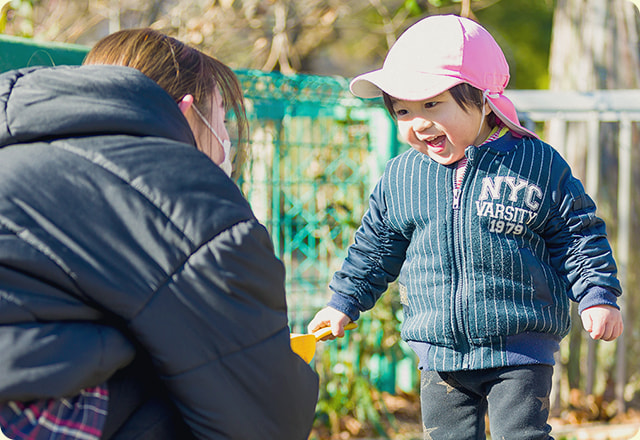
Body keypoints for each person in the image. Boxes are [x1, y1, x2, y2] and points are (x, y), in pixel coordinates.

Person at [307, 14, 623, 440]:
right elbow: (376, 247)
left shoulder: (535, 163)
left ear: (482, 99)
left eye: (431, 105)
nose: (417, 123)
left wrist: (596, 294)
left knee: (522, 435)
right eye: (402, 110)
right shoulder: (403, 177)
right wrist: (343, 301)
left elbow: (576, 234)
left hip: (519, 345)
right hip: (438, 352)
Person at [0, 28, 318, 440]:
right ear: (187, 112)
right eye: (222, 119)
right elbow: (268, 418)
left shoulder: (21, 147)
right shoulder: (184, 192)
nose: (224, 144)